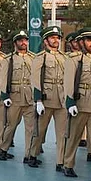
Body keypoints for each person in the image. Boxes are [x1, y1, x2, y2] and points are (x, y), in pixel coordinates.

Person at [61, 28, 91, 176]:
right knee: (74, 136)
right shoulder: (74, 59)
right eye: (90, 40)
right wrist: (70, 103)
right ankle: (68, 164)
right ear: (82, 42)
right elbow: (69, 82)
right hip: (80, 101)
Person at [28, 25, 67, 169]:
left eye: (57, 37)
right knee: (39, 130)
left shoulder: (65, 58)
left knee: (62, 133)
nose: (56, 40)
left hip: (61, 99)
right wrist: (38, 100)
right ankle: (33, 154)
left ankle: (60, 162)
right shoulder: (40, 57)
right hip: (46, 98)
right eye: (52, 38)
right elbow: (35, 79)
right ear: (45, 41)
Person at [0, 31, 36, 160]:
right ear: (15, 43)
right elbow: (3, 79)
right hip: (15, 97)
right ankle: (3, 149)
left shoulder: (34, 58)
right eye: (20, 40)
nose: (23, 43)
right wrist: (5, 96)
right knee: (11, 125)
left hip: (29, 97)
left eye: (25, 40)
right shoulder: (8, 59)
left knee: (31, 128)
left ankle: (28, 155)